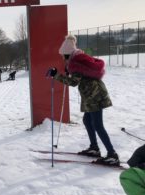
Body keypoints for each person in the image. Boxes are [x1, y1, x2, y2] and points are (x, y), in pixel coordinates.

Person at [48, 35, 119, 166]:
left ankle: (112, 154)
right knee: (87, 120)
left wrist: (56, 75)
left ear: (67, 54)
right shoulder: (78, 60)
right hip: (92, 94)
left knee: (98, 125)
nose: (62, 57)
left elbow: (73, 82)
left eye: (63, 55)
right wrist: (68, 70)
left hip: (94, 96)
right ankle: (94, 148)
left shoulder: (76, 63)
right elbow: (80, 76)